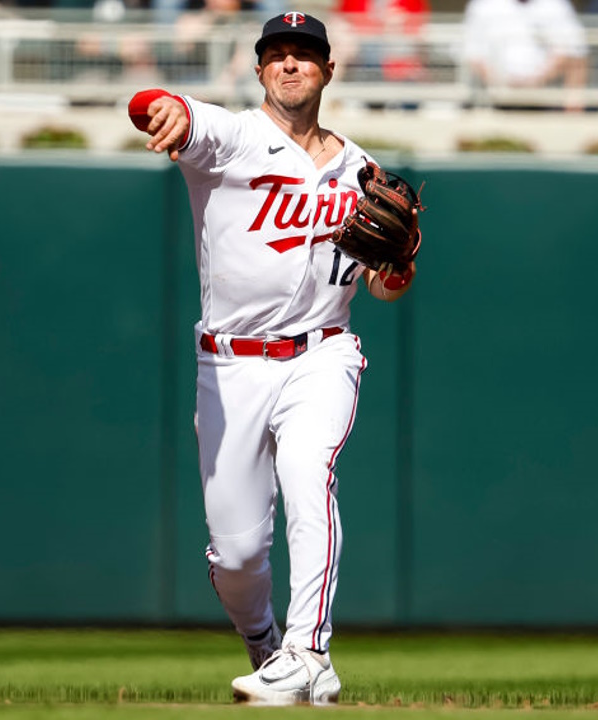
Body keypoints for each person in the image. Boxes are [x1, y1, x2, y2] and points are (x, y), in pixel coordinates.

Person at [127, 11, 416, 706]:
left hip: (322, 355)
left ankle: (308, 650)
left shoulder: (361, 169)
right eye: (277, 55)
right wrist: (157, 107)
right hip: (228, 368)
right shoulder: (231, 138)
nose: (291, 65)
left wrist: (396, 274)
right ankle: (266, 647)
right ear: (259, 70)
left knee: (308, 473)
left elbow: (382, 283)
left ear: (327, 69)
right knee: (236, 557)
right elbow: (158, 108)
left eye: (305, 55)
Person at [459, 0, 589, 110]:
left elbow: (574, 50)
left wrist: (538, 80)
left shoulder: (556, 4)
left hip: (544, 101)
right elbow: (472, 52)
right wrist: (500, 83)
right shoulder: (482, 4)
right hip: (492, 101)